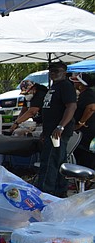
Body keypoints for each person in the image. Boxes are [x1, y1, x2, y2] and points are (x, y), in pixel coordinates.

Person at [35, 61, 77, 197]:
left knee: (49, 161)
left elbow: (71, 107)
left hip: (58, 132)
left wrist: (60, 126)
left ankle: (45, 192)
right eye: (51, 71)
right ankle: (60, 190)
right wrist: (44, 131)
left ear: (64, 72)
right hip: (50, 131)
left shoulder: (65, 86)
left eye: (56, 71)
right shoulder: (54, 87)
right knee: (58, 160)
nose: (53, 73)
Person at [71, 73, 95, 169]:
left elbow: (91, 108)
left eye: (76, 81)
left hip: (88, 130)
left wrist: (81, 122)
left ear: (81, 84)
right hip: (85, 129)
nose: (74, 83)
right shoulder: (84, 94)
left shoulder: (88, 94)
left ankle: (85, 178)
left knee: (85, 155)